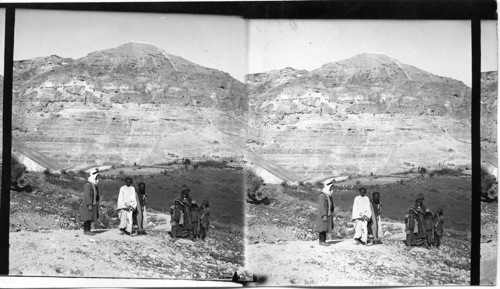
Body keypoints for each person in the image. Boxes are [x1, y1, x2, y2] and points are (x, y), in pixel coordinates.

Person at [80, 168, 100, 236]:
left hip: (92, 203)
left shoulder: (93, 184)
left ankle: (88, 230)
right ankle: (86, 230)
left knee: (90, 217)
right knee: (87, 217)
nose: (97, 177)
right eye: (96, 176)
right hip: (88, 204)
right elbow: (87, 195)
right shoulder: (88, 184)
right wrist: (89, 204)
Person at [316, 181, 335, 246]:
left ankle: (323, 240)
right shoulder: (322, 195)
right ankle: (321, 241)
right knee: (322, 228)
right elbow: (321, 206)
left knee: (325, 227)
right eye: (331, 188)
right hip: (323, 215)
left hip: (328, 214)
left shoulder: (328, 195)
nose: (332, 190)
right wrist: (324, 215)